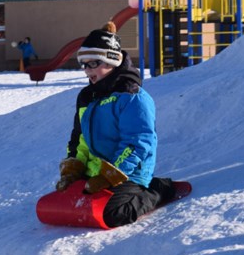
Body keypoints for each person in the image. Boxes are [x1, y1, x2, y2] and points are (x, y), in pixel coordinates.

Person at [55, 21, 179, 227]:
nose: (86, 70)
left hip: (128, 172)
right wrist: (73, 168)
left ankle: (157, 189)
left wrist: (110, 175)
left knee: (113, 213)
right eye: (83, 63)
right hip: (97, 173)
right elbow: (80, 139)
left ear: (111, 60)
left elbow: (137, 143)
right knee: (65, 202)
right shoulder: (88, 97)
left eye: (92, 63)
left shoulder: (131, 97)